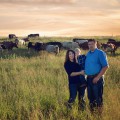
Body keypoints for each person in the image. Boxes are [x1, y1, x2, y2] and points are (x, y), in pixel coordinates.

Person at [85, 39, 109, 114]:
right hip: (89, 79)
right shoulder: (88, 54)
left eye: (92, 44)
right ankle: (92, 114)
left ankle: (99, 115)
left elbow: (105, 66)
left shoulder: (100, 53)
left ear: (96, 44)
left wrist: (98, 77)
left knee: (98, 98)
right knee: (90, 98)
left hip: (97, 79)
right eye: (89, 44)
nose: (90, 46)